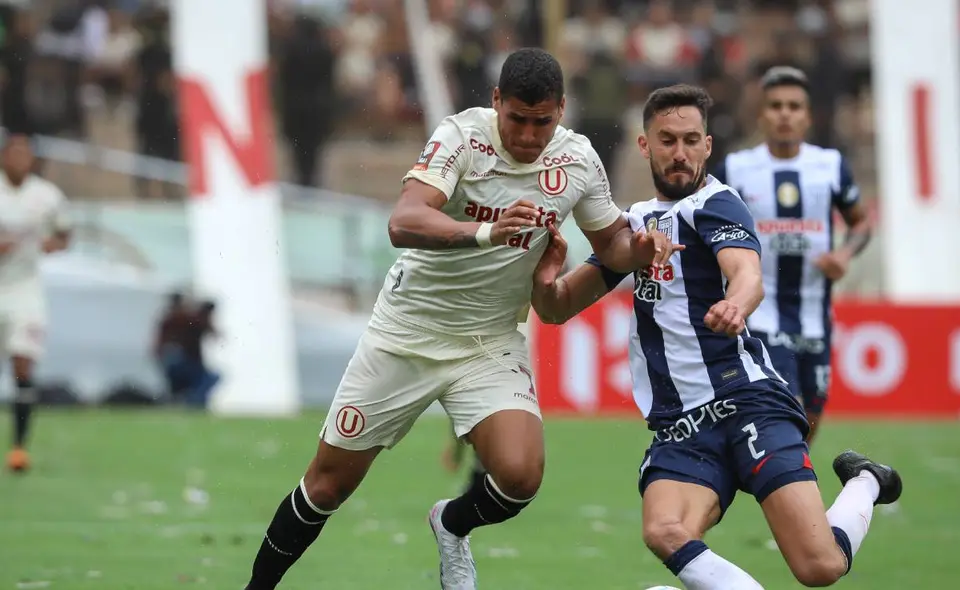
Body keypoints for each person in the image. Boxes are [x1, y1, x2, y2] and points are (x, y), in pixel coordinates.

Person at [242, 47, 669, 590]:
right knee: (326, 487)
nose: (530, 135)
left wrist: (644, 247)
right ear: (496, 103)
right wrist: (487, 232)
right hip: (407, 332)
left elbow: (612, 245)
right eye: (517, 119)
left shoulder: (578, 160)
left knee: (519, 477)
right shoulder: (462, 137)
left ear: (562, 109)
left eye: (543, 122)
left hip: (489, 341)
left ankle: (451, 524)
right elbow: (404, 220)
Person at [530, 84, 902, 589]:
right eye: (666, 140)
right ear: (645, 146)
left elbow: (746, 272)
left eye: (690, 140)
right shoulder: (632, 228)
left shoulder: (718, 204)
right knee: (664, 530)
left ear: (707, 146)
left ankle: (865, 481)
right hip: (682, 425)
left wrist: (736, 302)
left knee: (819, 567)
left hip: (746, 401)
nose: (679, 153)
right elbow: (555, 308)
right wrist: (544, 270)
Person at [713, 66, 872, 443]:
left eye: (794, 106)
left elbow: (861, 224)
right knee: (788, 409)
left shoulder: (830, 165)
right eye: (776, 105)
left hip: (816, 316)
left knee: (811, 419)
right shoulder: (735, 169)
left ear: (807, 115)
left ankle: (783, 482)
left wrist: (845, 254)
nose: (785, 113)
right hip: (761, 312)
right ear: (761, 115)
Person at [1, 134, 72, 472]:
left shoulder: (46, 196)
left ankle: (18, 447)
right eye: (13, 153)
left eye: (24, 154)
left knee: (23, 364)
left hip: (25, 290)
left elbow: (64, 234)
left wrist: (52, 245)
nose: (19, 159)